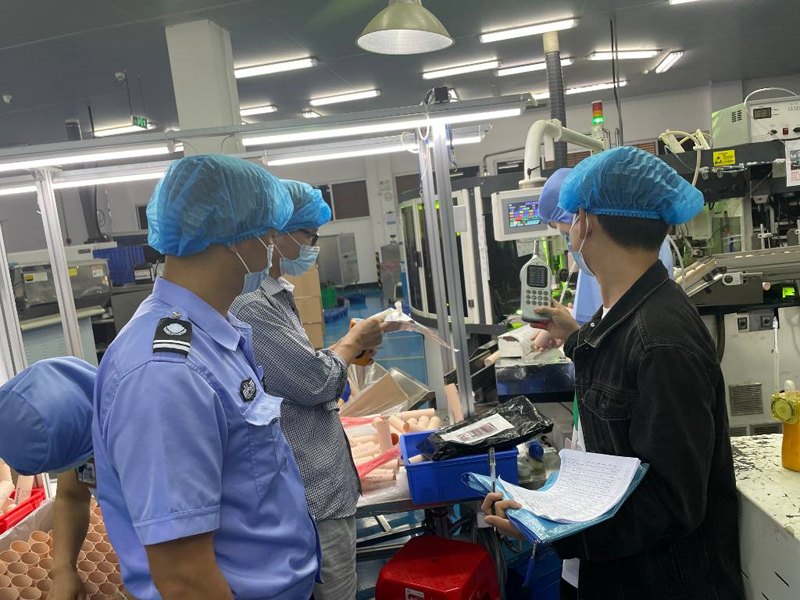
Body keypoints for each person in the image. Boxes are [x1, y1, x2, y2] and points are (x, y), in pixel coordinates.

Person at [483, 147, 743, 599]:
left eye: (571, 219)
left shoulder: (661, 340)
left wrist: (545, 528)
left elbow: (670, 502)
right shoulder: (623, 313)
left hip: (656, 583)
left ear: (585, 223)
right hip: (607, 569)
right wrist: (574, 337)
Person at [92, 155, 320, 600]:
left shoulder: (214, 338)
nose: (272, 249)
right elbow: (183, 577)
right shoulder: (167, 373)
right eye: (268, 234)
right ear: (232, 239)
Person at [230, 179, 395, 600]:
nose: (313, 246)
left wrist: (341, 355)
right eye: (309, 235)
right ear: (275, 234)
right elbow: (315, 382)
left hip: (322, 486)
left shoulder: (274, 295)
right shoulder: (250, 304)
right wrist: (352, 343)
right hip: (310, 495)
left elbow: (294, 368)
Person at [0, 357, 98, 600]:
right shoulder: (81, 422)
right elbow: (71, 495)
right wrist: (63, 568)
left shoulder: (154, 449)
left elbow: (180, 564)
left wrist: (129, 594)